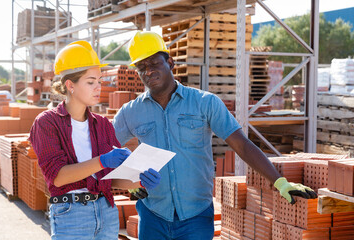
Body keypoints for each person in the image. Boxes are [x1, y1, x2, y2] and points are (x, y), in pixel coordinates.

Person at [113, 31, 317, 240]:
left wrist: (280, 182)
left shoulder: (205, 103)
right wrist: (126, 179)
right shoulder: (130, 112)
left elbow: (242, 145)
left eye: (154, 63)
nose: (148, 72)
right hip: (153, 216)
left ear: (170, 62)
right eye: (141, 67)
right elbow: (100, 149)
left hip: (195, 218)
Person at [29, 40, 161, 240]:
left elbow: (109, 179)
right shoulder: (47, 123)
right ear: (70, 85)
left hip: (106, 212)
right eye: (91, 82)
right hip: (72, 214)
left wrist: (138, 181)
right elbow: (58, 177)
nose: (98, 87)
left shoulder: (103, 125)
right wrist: (102, 160)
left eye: (99, 81)